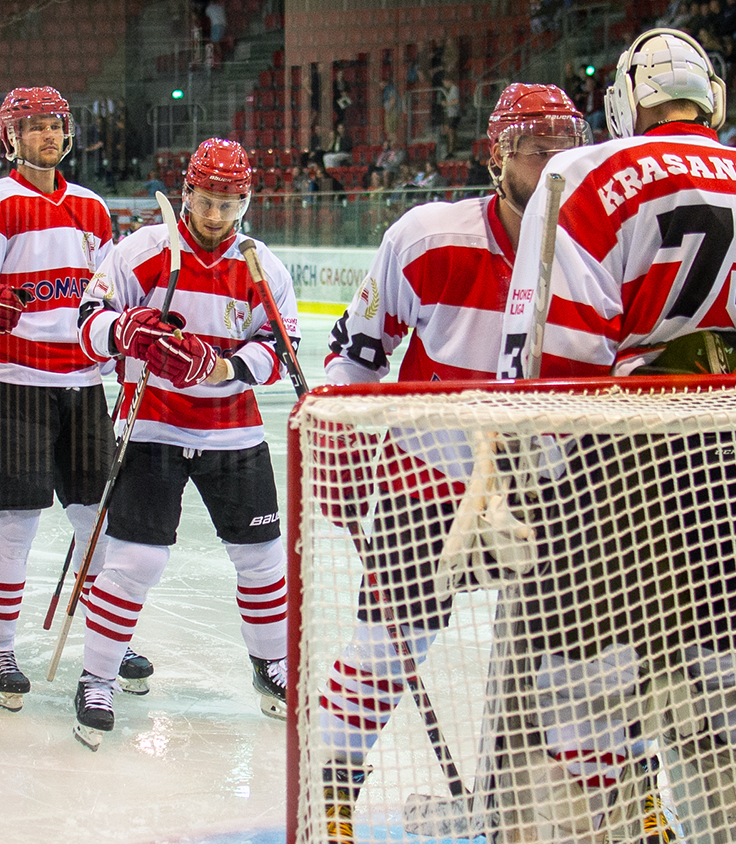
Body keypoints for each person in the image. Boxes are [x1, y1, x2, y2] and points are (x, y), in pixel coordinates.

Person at [497, 27, 736, 844]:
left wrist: (530, 486)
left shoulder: (586, 174)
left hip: (623, 466)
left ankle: (593, 829)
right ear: (712, 96)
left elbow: (552, 357)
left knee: (594, 686)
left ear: (627, 101)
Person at [311, 83, 592, 843]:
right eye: (537, 146)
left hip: (554, 489)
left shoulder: (600, 248)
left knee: (585, 659)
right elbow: (355, 353)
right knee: (387, 646)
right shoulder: (428, 237)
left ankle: (611, 795)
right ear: (496, 155)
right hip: (427, 479)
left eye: (568, 143)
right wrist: (341, 443)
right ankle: (330, 794)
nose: (556, 161)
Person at [72, 137, 294, 750]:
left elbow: (279, 352)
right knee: (135, 560)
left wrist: (219, 369)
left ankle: (270, 666)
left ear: (245, 201)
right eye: (208, 199)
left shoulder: (261, 266)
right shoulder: (143, 251)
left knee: (262, 558)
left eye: (231, 202)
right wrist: (124, 330)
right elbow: (87, 327)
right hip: (151, 426)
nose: (218, 214)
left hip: (234, 433)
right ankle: (98, 675)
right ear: (187, 190)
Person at [0, 86, 149, 713]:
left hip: (82, 385)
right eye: (33, 127)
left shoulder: (91, 209)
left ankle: (110, 640)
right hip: (13, 386)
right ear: (10, 137)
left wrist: (124, 344)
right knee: (14, 524)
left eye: (56, 125)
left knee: (96, 520)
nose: (48, 136)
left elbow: (103, 297)